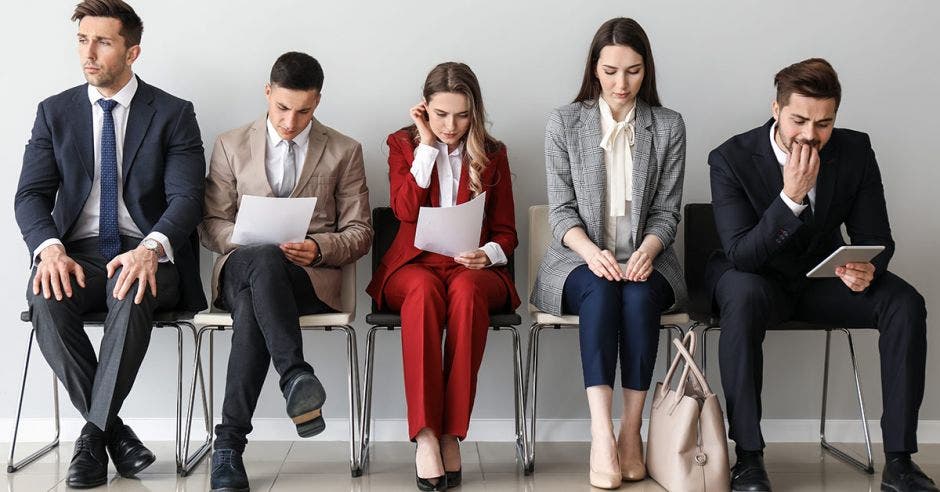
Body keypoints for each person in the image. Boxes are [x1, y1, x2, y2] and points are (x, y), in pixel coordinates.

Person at [707, 58, 935, 492]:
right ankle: (749, 460)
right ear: (776, 109)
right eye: (799, 120)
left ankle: (901, 461)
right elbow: (742, 254)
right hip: (754, 278)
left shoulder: (856, 151)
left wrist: (865, 268)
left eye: (824, 123)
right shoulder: (730, 158)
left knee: (904, 302)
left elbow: (876, 236)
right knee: (742, 293)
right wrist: (791, 197)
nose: (811, 135)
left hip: (821, 279)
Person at [13, 0, 207, 488]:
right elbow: (30, 196)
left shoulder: (173, 113)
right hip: (75, 255)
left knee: (131, 284)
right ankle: (111, 433)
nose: (89, 53)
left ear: (132, 50)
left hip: (149, 255)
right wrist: (50, 248)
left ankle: (91, 439)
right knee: (44, 294)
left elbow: (188, 198)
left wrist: (150, 249)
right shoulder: (54, 112)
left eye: (102, 41)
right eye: (82, 40)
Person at [199, 51, 372, 492]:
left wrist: (318, 248)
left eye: (304, 111)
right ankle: (293, 375)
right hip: (239, 270)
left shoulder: (344, 150)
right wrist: (246, 240)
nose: (291, 121)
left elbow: (361, 232)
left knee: (258, 303)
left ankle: (228, 447)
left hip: (307, 279)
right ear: (267, 93)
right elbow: (210, 224)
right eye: (282, 108)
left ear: (318, 102)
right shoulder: (229, 144)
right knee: (261, 262)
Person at [530, 17, 687, 490]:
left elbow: (666, 211)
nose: (622, 83)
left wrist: (648, 249)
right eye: (612, 71)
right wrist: (591, 251)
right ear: (594, 69)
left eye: (633, 71)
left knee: (638, 297)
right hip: (578, 261)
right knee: (601, 289)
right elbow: (560, 212)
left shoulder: (667, 126)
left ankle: (631, 432)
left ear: (647, 70)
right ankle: (602, 432)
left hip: (648, 259)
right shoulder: (565, 121)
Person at [366, 62, 519, 491]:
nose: (451, 125)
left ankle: (453, 431)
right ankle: (426, 435)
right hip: (413, 267)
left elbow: (507, 233)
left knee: (468, 294)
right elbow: (404, 211)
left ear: (476, 112)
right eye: (441, 115)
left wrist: (487, 254)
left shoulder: (494, 153)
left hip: (471, 268)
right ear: (424, 110)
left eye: (462, 115)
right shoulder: (402, 144)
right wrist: (427, 146)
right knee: (422, 293)